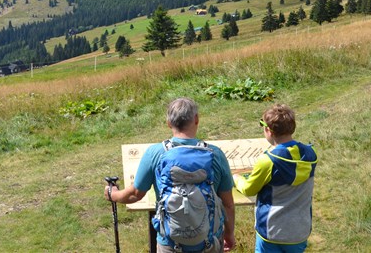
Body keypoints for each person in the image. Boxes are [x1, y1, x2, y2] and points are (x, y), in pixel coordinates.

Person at [105, 97, 236, 252]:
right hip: (209, 243)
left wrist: (112, 193)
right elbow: (228, 204)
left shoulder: (155, 153)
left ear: (169, 123)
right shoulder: (216, 155)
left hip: (170, 244)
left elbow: (135, 194)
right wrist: (229, 234)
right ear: (196, 119)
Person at [233, 104, 317, 253]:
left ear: (268, 130)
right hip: (299, 230)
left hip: (271, 231)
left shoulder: (268, 161)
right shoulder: (311, 155)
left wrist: (236, 178)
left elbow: (249, 189)